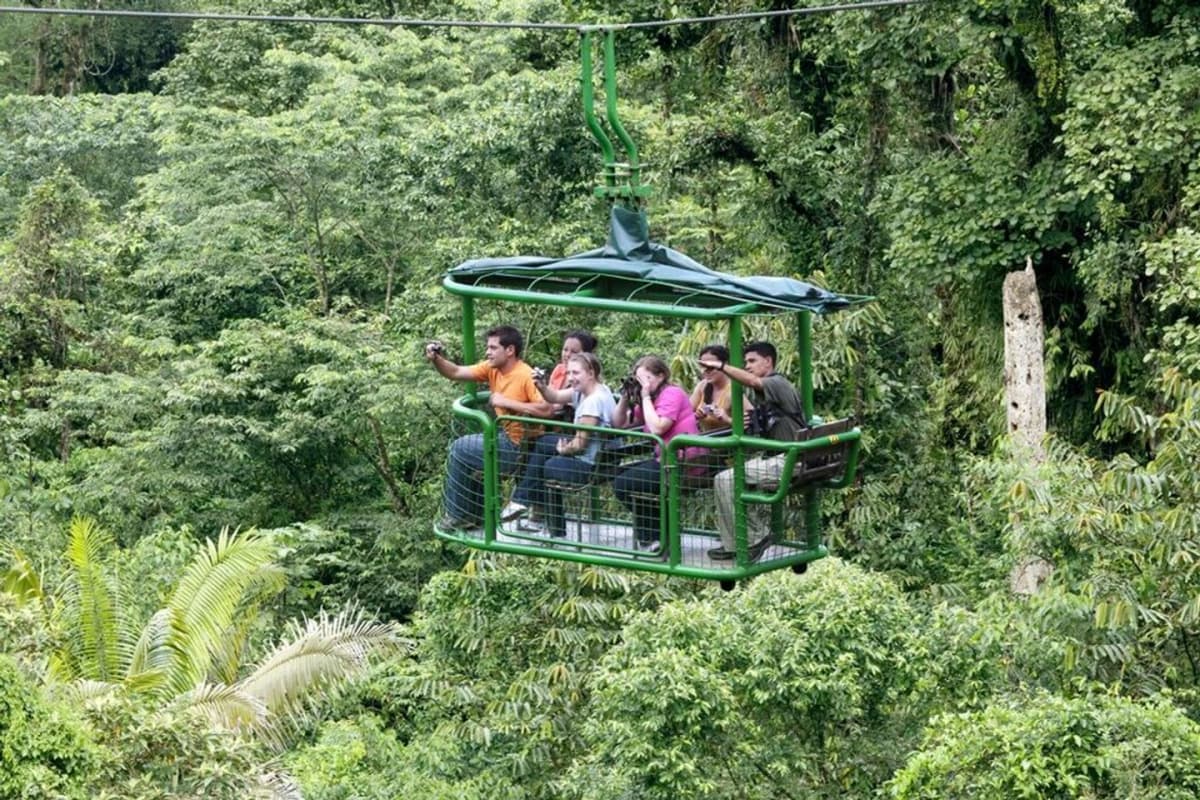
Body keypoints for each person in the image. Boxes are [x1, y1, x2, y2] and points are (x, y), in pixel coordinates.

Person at [427, 325, 552, 529]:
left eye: (493, 348)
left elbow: (546, 409)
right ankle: (473, 515)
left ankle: (459, 514)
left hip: (519, 447)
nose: (488, 352)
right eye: (488, 347)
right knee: (466, 451)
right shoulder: (492, 368)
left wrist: (507, 402)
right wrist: (437, 359)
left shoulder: (525, 375)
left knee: (460, 448)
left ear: (510, 350)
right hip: (504, 436)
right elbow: (456, 372)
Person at [699, 341, 807, 562]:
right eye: (745, 362)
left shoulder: (776, 383)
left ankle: (756, 537)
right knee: (726, 478)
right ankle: (735, 543)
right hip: (782, 458)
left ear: (768, 361)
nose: (747, 366)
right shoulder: (764, 394)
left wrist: (721, 366)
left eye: (752, 361)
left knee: (726, 479)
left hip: (790, 461)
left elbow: (751, 380)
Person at [504, 351, 615, 537]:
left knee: (549, 465)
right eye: (569, 373)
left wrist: (565, 450)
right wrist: (540, 385)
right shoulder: (589, 390)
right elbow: (554, 396)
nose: (570, 378)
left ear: (591, 373)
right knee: (542, 443)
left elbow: (580, 444)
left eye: (576, 373)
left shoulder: (593, 402)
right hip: (599, 455)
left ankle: (551, 527)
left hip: (592, 464)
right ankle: (522, 501)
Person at [612, 356, 708, 555]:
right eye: (639, 380)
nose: (643, 385)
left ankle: (656, 535)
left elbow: (658, 427)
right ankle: (658, 534)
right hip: (666, 461)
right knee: (619, 476)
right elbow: (620, 424)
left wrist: (645, 397)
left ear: (661, 376)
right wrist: (625, 397)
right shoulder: (652, 399)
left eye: (646, 379)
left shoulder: (672, 393)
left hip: (684, 462)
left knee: (624, 484)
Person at [546, 330, 598, 416]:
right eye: (565, 350)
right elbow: (549, 394)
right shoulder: (559, 369)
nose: (567, 354)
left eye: (574, 352)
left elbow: (557, 403)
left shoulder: (586, 379)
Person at [690, 344, 735, 432]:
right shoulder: (702, 386)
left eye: (711, 367)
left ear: (724, 365)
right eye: (703, 366)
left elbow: (750, 424)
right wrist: (696, 415)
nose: (706, 371)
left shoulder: (733, 390)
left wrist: (727, 419)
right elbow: (685, 414)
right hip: (705, 438)